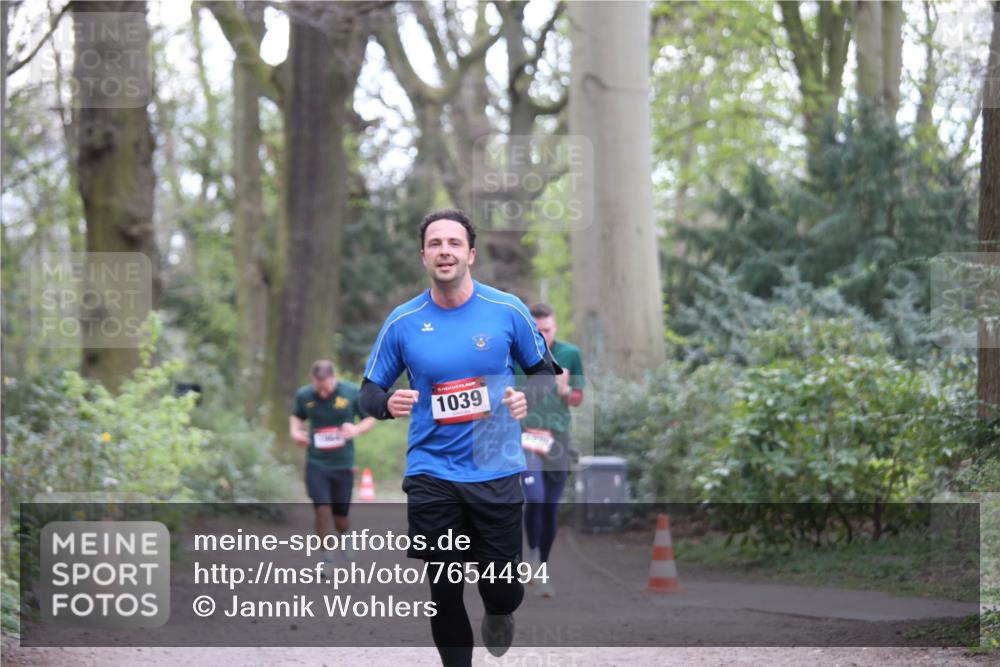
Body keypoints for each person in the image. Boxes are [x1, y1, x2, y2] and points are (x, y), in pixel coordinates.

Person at [359, 208, 558, 667]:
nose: (444, 251)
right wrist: (386, 404)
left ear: (470, 254)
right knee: (444, 588)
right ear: (423, 256)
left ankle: (499, 610)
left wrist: (527, 397)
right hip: (432, 471)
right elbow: (368, 392)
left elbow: (544, 373)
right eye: (435, 243)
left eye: (453, 243)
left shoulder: (507, 310)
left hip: (496, 466)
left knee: (503, 590)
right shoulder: (403, 321)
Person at [518, 303, 584, 599]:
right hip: (526, 437)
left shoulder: (570, 354)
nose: (543, 336)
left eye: (547, 330)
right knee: (534, 497)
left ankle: (540, 567)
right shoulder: (518, 354)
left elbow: (578, 399)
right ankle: (531, 558)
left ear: (555, 328)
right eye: (537, 331)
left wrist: (564, 390)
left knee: (549, 507)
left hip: (558, 438)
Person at [290, 359, 376, 569]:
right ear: (313, 381)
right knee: (321, 509)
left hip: (343, 464)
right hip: (316, 463)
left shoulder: (351, 392)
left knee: (340, 519)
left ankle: (344, 535)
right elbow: (297, 417)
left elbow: (369, 418)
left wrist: (356, 430)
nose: (323, 392)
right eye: (319, 388)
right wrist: (296, 432)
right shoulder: (304, 395)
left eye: (327, 387)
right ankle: (326, 557)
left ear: (333, 378)